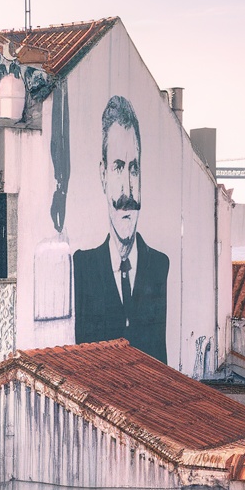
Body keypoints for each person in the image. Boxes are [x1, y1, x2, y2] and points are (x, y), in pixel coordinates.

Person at [73, 95, 170, 362]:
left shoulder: (160, 266)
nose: (128, 190)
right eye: (118, 168)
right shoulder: (81, 267)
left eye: (134, 169)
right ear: (103, 174)